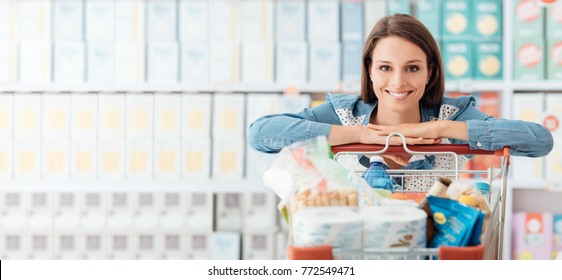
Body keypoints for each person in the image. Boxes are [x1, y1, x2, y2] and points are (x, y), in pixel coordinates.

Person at [248, 14, 553, 175]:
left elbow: (540, 141)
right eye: (384, 67)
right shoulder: (344, 113)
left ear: (429, 72)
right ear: (368, 70)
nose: (397, 82)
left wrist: (437, 129)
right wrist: (361, 135)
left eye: (411, 68)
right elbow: (260, 135)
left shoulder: (452, 117)